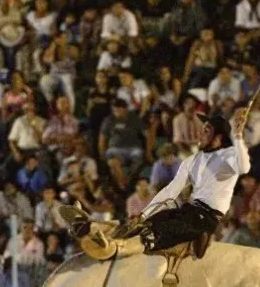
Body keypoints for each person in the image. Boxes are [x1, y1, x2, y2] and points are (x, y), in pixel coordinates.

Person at [83, 109, 251, 259]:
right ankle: (96, 228)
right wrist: (144, 214)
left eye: (206, 130)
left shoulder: (228, 155)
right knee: (148, 222)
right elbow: (171, 190)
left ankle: (115, 249)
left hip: (208, 217)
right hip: (190, 209)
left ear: (218, 138)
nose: (200, 133)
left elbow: (244, 167)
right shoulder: (193, 160)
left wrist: (238, 137)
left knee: (159, 231)